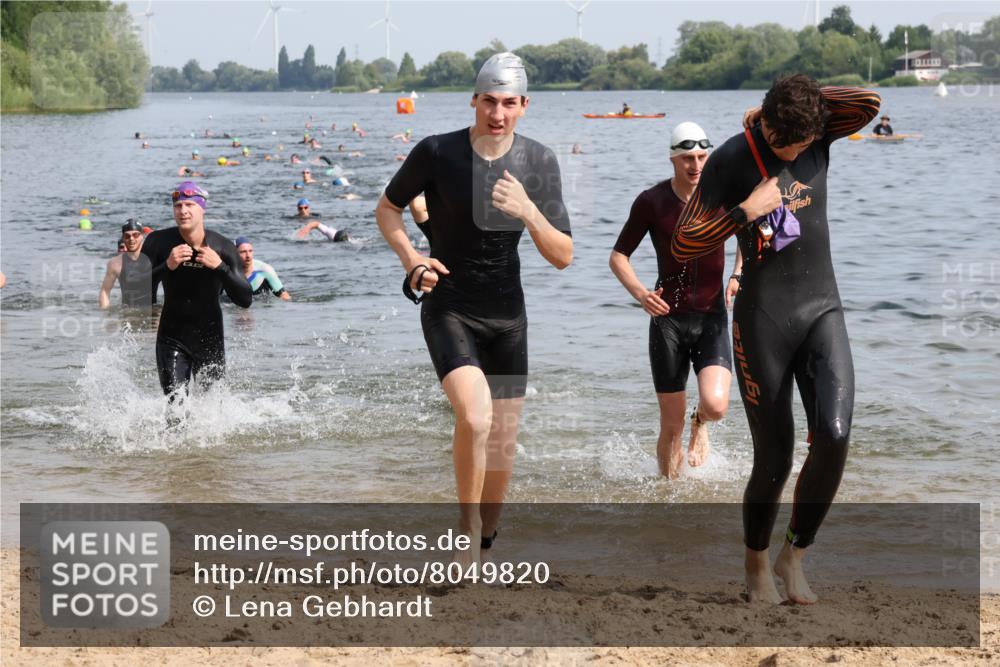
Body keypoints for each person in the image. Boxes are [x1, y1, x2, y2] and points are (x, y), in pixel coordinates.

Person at [671, 74, 880, 604]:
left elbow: (869, 102)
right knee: (776, 455)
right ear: (764, 125)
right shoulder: (730, 159)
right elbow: (683, 241)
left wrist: (800, 102)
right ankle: (756, 566)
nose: (793, 150)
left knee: (834, 435)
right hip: (763, 317)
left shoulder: (820, 130)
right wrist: (746, 211)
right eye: (783, 140)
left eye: (801, 143)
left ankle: (795, 556)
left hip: (823, 309)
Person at [375, 52, 573, 566]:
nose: (498, 113)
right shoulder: (437, 152)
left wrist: (529, 210)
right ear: (474, 99)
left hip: (509, 320)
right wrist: (413, 259)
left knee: (502, 451)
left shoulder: (539, 161)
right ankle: (465, 528)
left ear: (524, 105)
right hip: (450, 308)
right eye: (489, 100)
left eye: (509, 103)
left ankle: (485, 536)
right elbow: (388, 208)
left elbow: (563, 256)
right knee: (476, 417)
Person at [610, 121, 732, 479]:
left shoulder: (723, 196)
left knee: (717, 405)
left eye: (702, 157)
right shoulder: (652, 202)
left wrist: (739, 273)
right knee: (671, 425)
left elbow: (751, 233)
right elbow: (618, 256)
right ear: (672, 159)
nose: (695, 166)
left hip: (711, 316)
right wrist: (641, 294)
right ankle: (669, 500)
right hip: (668, 321)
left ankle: (702, 423)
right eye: (687, 159)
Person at [140, 182, 252, 413]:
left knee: (213, 413)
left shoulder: (222, 247)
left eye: (189, 204)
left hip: (210, 338)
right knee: (175, 407)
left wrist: (220, 267)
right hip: (172, 337)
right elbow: (136, 294)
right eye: (178, 205)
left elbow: (245, 299)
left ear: (203, 209)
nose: (183, 211)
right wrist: (166, 266)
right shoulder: (158, 243)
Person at [99, 219, 157, 309]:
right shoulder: (114, 264)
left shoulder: (154, 259)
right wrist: (105, 314)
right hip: (127, 312)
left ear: (142, 236)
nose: (131, 239)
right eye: (127, 236)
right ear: (123, 237)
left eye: (135, 235)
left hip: (152, 312)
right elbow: (105, 291)